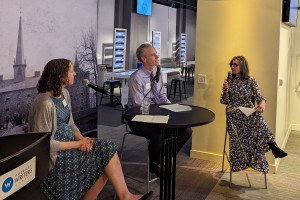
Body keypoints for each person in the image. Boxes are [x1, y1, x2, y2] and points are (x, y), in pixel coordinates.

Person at [28, 59, 152, 200]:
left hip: (71, 147)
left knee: (108, 149)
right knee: (105, 156)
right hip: (56, 160)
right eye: (71, 71)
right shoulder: (44, 103)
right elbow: (44, 145)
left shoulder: (64, 94)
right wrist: (78, 144)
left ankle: (125, 196)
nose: (74, 73)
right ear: (61, 76)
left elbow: (71, 124)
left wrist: (82, 139)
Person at [127, 43, 192, 177]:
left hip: (157, 113)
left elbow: (161, 95)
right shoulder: (136, 78)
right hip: (138, 118)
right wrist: (156, 113)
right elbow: (139, 104)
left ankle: (165, 155)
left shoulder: (157, 72)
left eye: (156, 53)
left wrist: (171, 108)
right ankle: (155, 164)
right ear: (143, 59)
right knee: (158, 132)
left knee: (186, 130)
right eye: (153, 55)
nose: (157, 56)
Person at [220, 55, 287, 173]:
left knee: (257, 116)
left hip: (247, 114)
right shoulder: (229, 81)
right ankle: (272, 145)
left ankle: (270, 147)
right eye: (231, 64)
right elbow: (224, 101)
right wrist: (225, 89)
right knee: (256, 118)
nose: (232, 66)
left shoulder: (251, 81)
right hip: (233, 114)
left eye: (235, 64)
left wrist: (262, 105)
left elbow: (260, 98)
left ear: (242, 66)